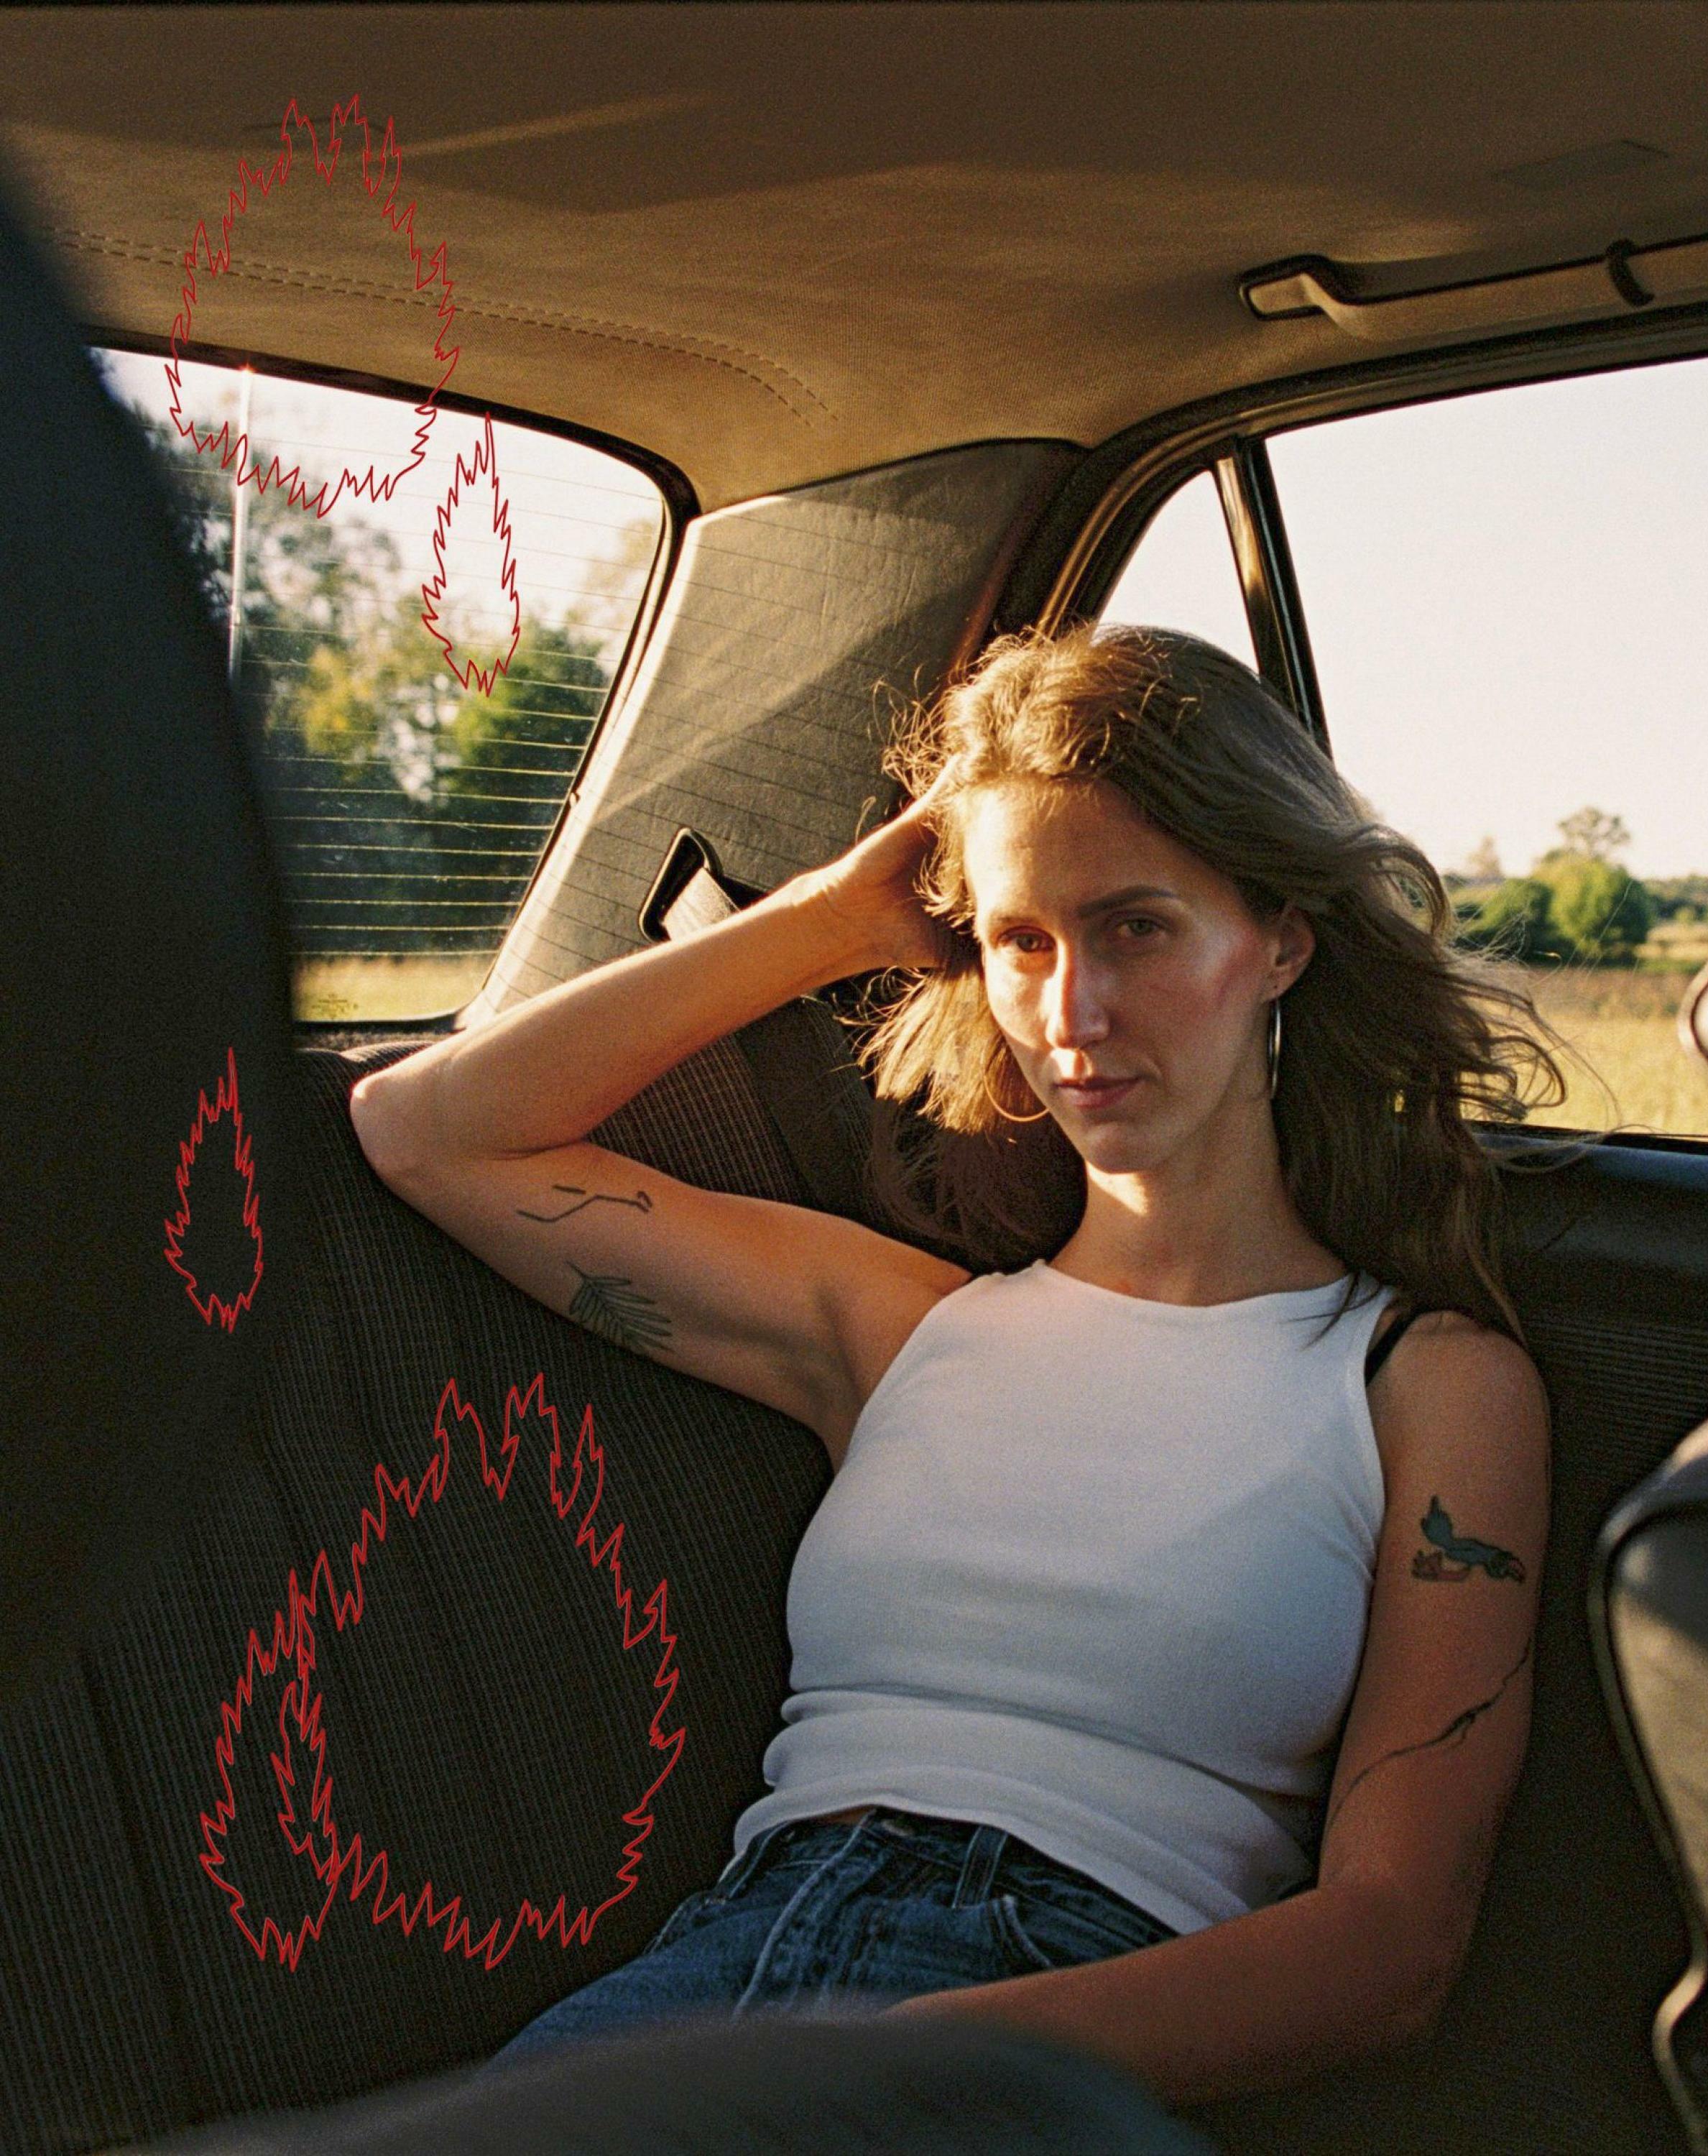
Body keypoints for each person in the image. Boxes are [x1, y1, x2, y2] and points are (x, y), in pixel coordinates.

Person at [349, 622, 1559, 2109]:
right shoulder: (903, 1328)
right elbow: (429, 1133)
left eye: (1137, 928)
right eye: (1019, 941)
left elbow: (1390, 1950)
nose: (1072, 1017)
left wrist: (907, 2067)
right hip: (711, 1979)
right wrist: (837, 917)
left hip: (1060, 2033)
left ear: (1283, 941)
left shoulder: (1421, 1384)